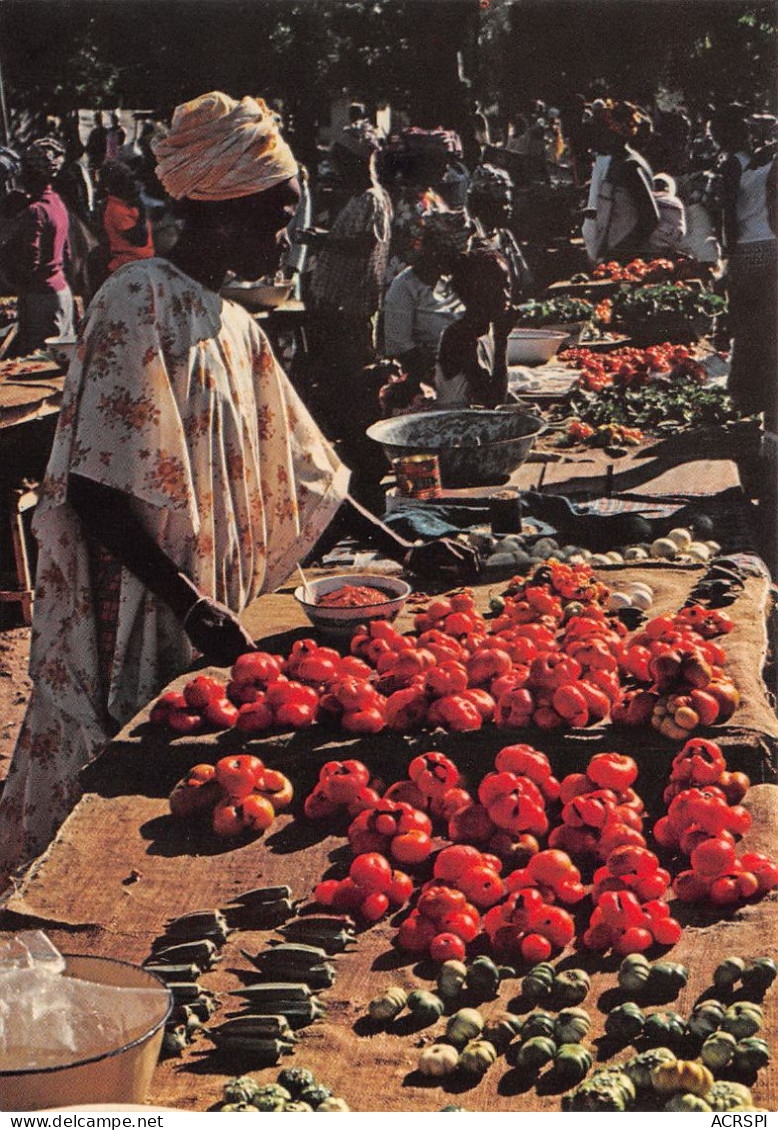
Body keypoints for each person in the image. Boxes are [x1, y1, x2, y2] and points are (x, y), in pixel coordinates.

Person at [0, 91, 478, 876]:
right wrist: (185, 599)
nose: (289, 234)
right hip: (140, 599)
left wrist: (407, 546)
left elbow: (306, 468)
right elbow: (93, 487)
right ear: (218, 208)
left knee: (185, 795)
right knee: (105, 775)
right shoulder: (135, 299)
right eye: (275, 214)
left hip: (202, 599)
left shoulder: (237, 324)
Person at [307, 121, 392, 367]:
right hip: (339, 305)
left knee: (348, 368)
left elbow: (362, 247)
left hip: (352, 307)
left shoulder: (371, 200)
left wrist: (323, 240)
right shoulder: (358, 198)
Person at [3, 137, 74, 355]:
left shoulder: (35, 211)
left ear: (30, 174)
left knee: (38, 363)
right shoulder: (56, 203)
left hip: (41, 300)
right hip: (61, 294)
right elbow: (67, 253)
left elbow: (30, 263)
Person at [382, 212, 469, 388]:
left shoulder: (454, 282)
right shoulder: (404, 286)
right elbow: (401, 349)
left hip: (464, 370)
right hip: (427, 378)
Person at [434, 247, 514, 409]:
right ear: (476, 292)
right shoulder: (459, 336)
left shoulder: (484, 330)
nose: (506, 296)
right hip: (456, 425)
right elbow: (493, 401)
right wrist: (501, 341)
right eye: (497, 288)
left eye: (507, 287)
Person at [581, 100, 659, 264]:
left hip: (627, 257)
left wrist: (624, 251)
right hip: (616, 252)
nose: (592, 137)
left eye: (598, 131)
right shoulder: (617, 163)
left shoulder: (629, 166)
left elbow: (650, 217)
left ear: (612, 132)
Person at [466, 162, 533, 303]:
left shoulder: (504, 235)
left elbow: (525, 283)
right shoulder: (471, 241)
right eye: (502, 203)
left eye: (509, 203)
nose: (509, 208)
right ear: (484, 205)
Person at [98, 159, 155, 275]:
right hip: (130, 265)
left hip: (142, 261)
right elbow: (140, 240)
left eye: (132, 179)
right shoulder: (116, 210)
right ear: (116, 187)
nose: (133, 184)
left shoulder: (126, 202)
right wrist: (142, 211)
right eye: (127, 181)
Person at [646, 173, 687, 256]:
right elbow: (681, 231)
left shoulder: (673, 201)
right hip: (665, 244)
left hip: (653, 243)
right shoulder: (677, 202)